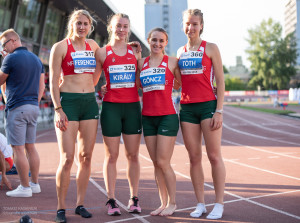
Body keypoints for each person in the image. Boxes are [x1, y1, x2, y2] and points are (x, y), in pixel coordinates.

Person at [49, 9, 99, 222]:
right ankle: (61, 208)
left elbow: (101, 69)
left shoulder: (94, 46)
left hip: (89, 104)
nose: (81, 27)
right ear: (72, 24)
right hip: (67, 103)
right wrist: (58, 108)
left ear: (90, 26)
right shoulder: (60, 47)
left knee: (86, 157)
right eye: (78, 23)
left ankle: (80, 204)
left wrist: (94, 85)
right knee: (68, 158)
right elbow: (52, 80)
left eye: (85, 24)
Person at [177, 9, 226, 220]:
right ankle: (200, 203)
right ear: (183, 26)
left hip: (208, 107)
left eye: (195, 24)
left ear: (201, 25)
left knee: (214, 156)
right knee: (194, 158)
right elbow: (177, 82)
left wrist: (219, 110)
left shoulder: (211, 48)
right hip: (187, 109)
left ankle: (219, 203)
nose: (191, 27)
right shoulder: (179, 52)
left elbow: (221, 83)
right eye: (188, 24)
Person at [94, 13, 142, 216]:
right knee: (111, 156)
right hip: (111, 108)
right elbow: (94, 80)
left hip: (132, 108)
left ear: (128, 29)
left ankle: (134, 198)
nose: (121, 29)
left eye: (125, 26)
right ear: (110, 27)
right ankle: (111, 199)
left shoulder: (135, 52)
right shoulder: (102, 53)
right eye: (118, 26)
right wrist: (100, 90)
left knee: (133, 155)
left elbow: (140, 82)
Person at [137, 28, 181, 216]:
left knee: (164, 161)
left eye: (161, 41)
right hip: (147, 117)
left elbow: (182, 83)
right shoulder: (141, 63)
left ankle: (173, 202)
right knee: (155, 163)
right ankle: (163, 203)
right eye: (154, 40)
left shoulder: (172, 62)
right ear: (149, 40)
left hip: (167, 117)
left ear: (166, 43)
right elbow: (138, 85)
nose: (157, 44)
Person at [0, 29, 45, 198]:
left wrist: (4, 61)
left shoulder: (10, 58)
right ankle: (34, 184)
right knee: (30, 147)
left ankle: (25, 188)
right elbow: (42, 86)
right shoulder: (36, 59)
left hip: (17, 108)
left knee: (18, 149)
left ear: (12, 41)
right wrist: (35, 102)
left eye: (4, 45)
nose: (4, 49)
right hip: (33, 107)